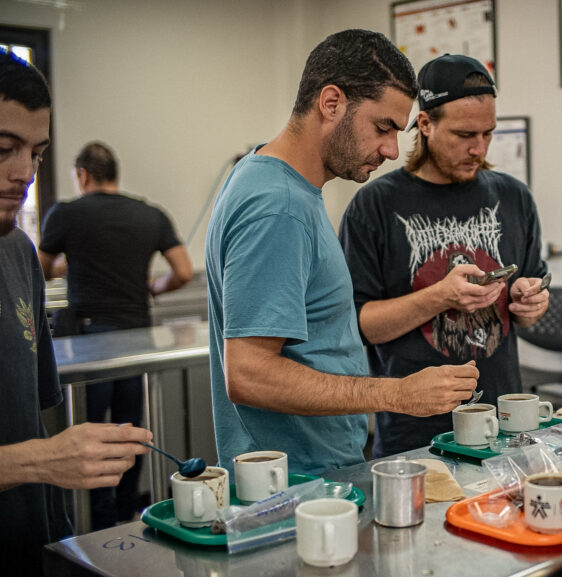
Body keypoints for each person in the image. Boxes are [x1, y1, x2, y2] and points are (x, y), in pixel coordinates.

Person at [205, 30, 480, 477]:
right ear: (331, 103)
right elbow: (250, 373)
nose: (392, 150)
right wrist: (397, 394)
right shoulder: (279, 205)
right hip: (295, 483)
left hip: (313, 469)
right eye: (383, 127)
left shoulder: (271, 180)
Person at [339, 54, 550, 458]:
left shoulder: (513, 196)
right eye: (464, 134)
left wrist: (530, 301)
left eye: (488, 133)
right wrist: (441, 296)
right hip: (412, 434)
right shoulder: (375, 206)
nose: (479, 148)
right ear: (425, 125)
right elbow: (360, 326)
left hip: (501, 421)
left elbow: (531, 303)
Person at [0, 50, 152, 575]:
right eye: (3, 149)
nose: (23, 173)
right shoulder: (142, 214)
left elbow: (31, 422)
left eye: (37, 154)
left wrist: (58, 529)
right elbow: (38, 453)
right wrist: (41, 462)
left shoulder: (18, 252)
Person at [37, 140, 193, 528]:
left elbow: (37, 268)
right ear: (115, 174)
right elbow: (184, 271)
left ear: (83, 175)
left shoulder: (66, 214)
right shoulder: (148, 214)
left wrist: (67, 269)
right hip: (138, 342)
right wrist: (153, 288)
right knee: (132, 434)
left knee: (92, 439)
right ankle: (130, 517)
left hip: (88, 343)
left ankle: (98, 524)